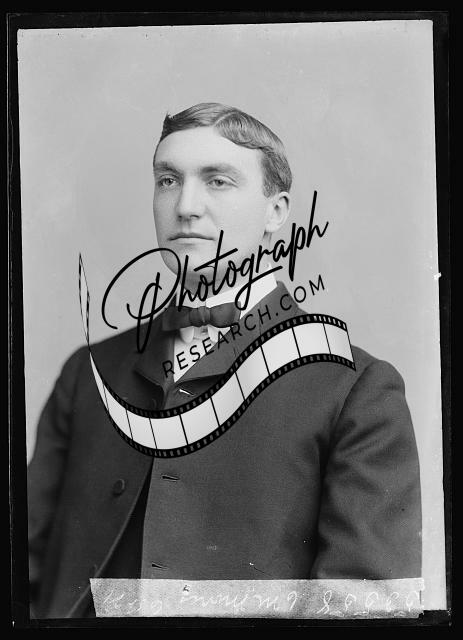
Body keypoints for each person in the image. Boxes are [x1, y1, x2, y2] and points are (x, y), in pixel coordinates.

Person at [27, 103, 422, 619]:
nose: (185, 206)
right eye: (168, 180)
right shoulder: (89, 371)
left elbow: (363, 609)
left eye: (217, 181)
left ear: (276, 211)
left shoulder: (355, 387)